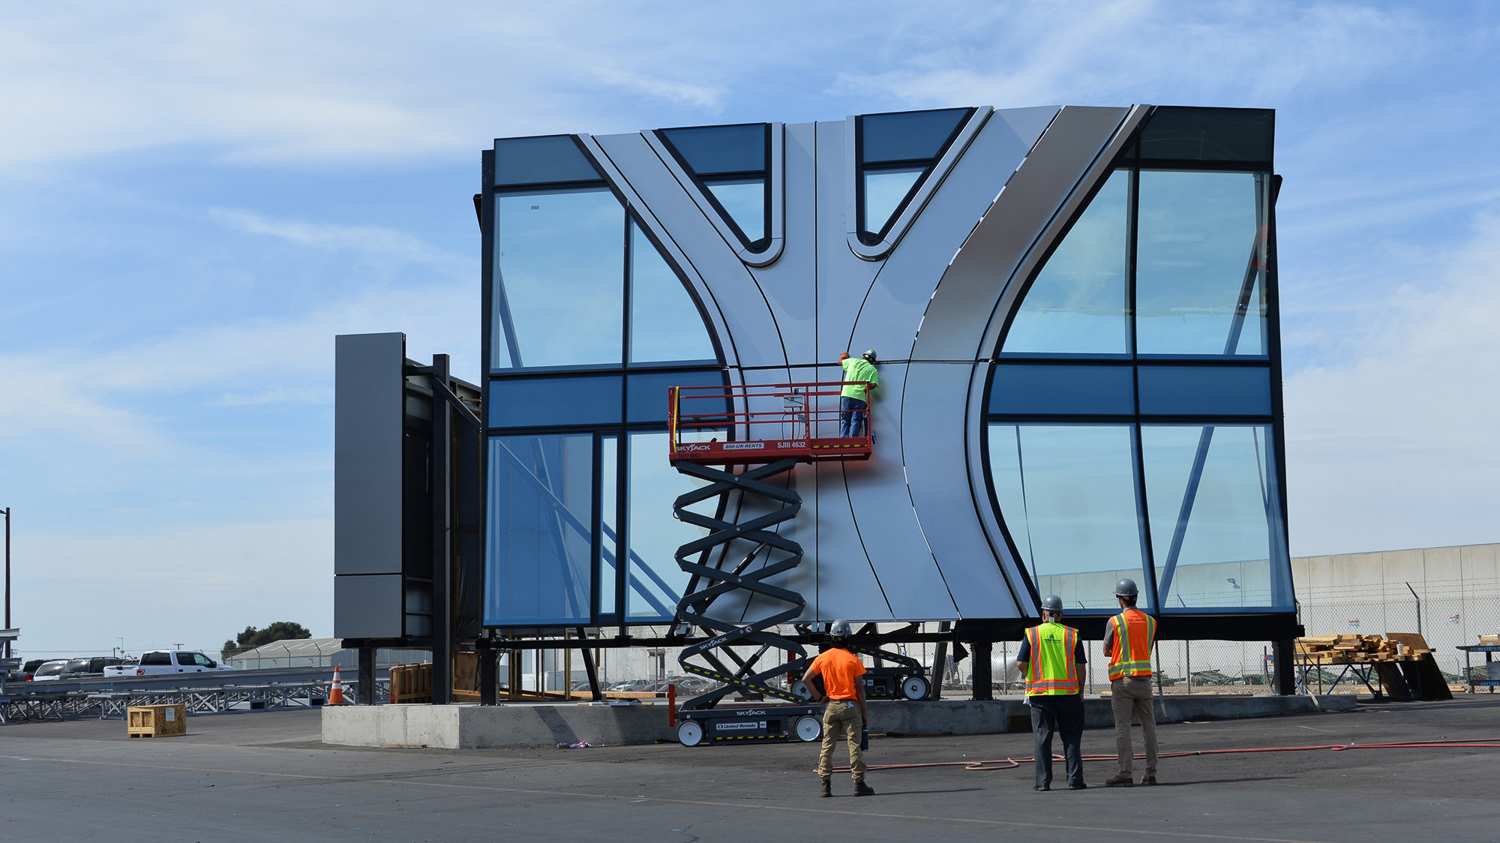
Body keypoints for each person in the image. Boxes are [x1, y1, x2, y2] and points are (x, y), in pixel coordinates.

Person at [1015, 594, 1087, 791]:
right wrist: (1080, 690)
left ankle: (1043, 782)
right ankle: (1075, 780)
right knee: (1071, 737)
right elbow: (1081, 666)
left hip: (1040, 696)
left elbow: (1021, 663)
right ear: (1061, 615)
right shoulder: (1072, 634)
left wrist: (1032, 675)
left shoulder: (1032, 633)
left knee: (1042, 738)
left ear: (1043, 615)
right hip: (1069, 695)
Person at [802, 618, 874, 798]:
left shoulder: (823, 658)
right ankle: (859, 783)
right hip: (850, 706)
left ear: (831, 637)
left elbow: (805, 679)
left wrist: (819, 696)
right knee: (854, 746)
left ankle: (825, 785)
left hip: (831, 706)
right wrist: (864, 714)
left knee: (827, 746)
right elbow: (860, 690)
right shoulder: (853, 660)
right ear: (848, 637)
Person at [1102, 578, 1159, 786]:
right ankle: (1151, 772)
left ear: (1120, 599)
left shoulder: (1115, 622)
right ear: (1135, 596)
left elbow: (1106, 650)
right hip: (1144, 681)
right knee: (1149, 726)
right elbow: (1147, 647)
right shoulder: (1151, 622)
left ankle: (1125, 773)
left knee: (1123, 727)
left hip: (1123, 681)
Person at [838, 350, 879, 438]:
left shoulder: (853, 361)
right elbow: (874, 384)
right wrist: (866, 388)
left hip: (847, 394)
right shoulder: (873, 370)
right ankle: (853, 439)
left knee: (845, 419)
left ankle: (844, 438)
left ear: (863, 356)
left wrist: (844, 355)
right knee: (856, 420)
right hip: (860, 397)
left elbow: (840, 362)